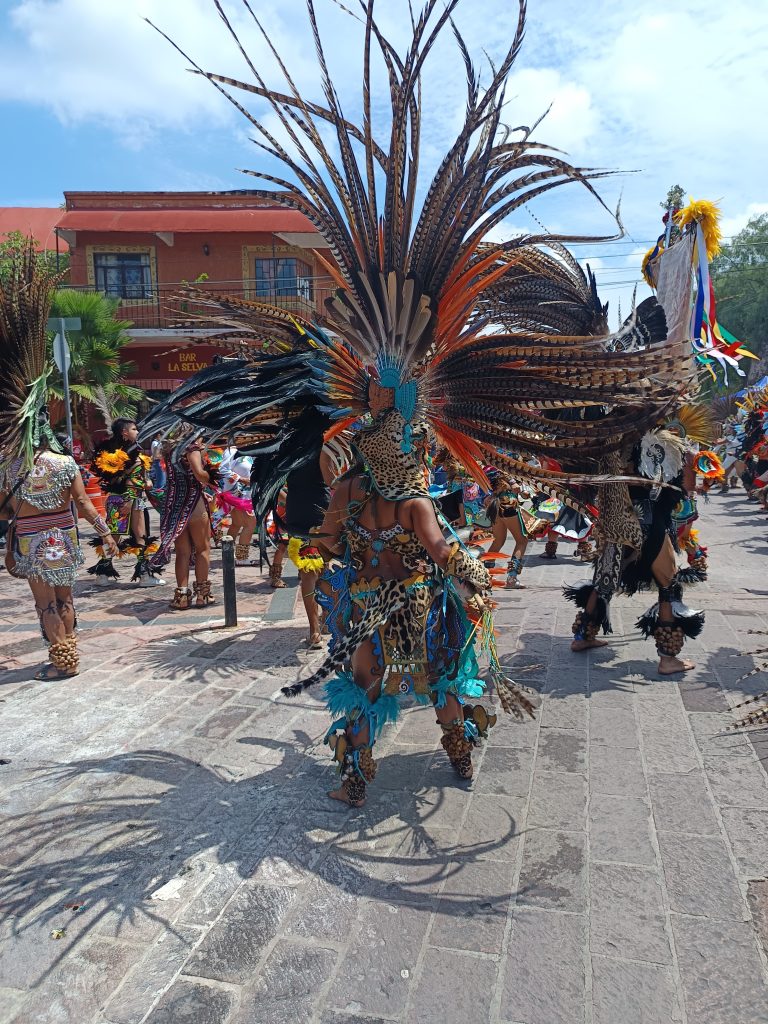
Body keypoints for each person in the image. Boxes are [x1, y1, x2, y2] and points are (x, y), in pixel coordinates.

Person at [0, 241, 119, 678]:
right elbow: (85, 504)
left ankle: (60, 662)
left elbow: (5, 511)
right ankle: (70, 658)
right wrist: (106, 534)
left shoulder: (9, 467)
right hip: (64, 536)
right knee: (66, 597)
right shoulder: (66, 463)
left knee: (44, 602)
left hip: (32, 538)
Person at [89, 419, 165, 587]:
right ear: (125, 432)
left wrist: (145, 481)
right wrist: (131, 500)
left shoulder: (111, 454)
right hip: (132, 501)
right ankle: (144, 576)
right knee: (140, 536)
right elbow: (133, 482)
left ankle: (102, 574)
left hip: (114, 500)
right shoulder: (133, 454)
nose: (137, 432)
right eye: (134, 429)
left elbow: (116, 480)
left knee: (113, 537)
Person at [150, 435, 218, 610]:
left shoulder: (169, 449)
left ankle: (181, 596)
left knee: (182, 552)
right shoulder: (191, 448)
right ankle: (202, 595)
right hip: (193, 502)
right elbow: (199, 474)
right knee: (203, 549)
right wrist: (211, 476)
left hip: (174, 503)